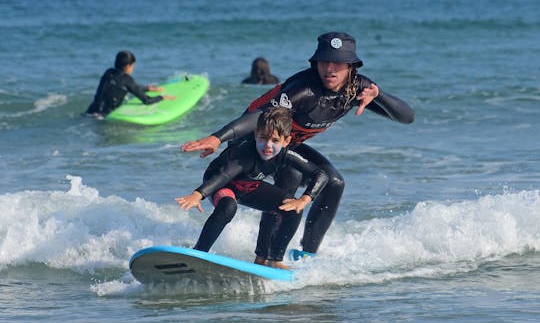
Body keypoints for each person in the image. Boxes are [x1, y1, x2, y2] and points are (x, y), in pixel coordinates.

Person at [182, 31, 415, 265]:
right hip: (255, 143)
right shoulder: (304, 90)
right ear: (316, 63)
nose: (330, 69)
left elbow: (407, 117)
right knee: (288, 180)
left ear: (351, 66)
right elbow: (260, 117)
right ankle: (265, 257)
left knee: (334, 183)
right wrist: (218, 138)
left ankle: (306, 255)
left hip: (286, 146)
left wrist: (379, 95)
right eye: (325, 61)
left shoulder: (358, 89)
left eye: (338, 63)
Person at [175, 106, 328, 269]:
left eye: (275, 140)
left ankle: (272, 259)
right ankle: (200, 253)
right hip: (221, 183)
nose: (267, 145)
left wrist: (305, 199)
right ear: (256, 134)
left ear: (286, 141)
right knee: (228, 207)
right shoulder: (245, 154)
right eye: (263, 138)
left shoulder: (285, 155)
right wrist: (198, 194)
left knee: (293, 208)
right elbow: (224, 176)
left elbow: (321, 174)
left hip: (248, 186)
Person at [86, 50, 175, 118]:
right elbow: (147, 101)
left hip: (91, 112)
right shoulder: (127, 80)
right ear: (127, 66)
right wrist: (162, 97)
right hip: (105, 116)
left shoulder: (108, 72)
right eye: (133, 66)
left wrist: (147, 88)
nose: (133, 69)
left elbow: (122, 85)